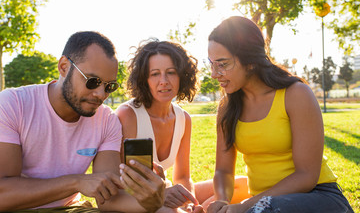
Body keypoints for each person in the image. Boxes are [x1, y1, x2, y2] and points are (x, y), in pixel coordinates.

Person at [0, 31, 165, 212]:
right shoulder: (13, 104)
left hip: (72, 209)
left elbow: (108, 200)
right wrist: (75, 182)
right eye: (93, 81)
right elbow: (3, 195)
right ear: (63, 66)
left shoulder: (107, 121)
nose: (101, 94)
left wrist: (151, 203)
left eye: (109, 86)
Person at [205, 16, 354, 213]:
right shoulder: (228, 107)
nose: (215, 74)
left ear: (250, 61)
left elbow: (306, 176)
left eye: (222, 64)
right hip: (263, 206)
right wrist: (223, 201)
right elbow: (223, 170)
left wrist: (245, 206)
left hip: (318, 196)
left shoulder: (296, 94)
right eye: (212, 64)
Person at [116, 39, 212, 213]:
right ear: (144, 79)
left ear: (182, 75)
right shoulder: (128, 115)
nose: (164, 81)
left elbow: (183, 177)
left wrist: (188, 202)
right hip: (137, 201)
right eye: (154, 74)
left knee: (240, 184)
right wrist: (164, 196)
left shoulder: (184, 119)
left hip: (165, 193)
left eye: (171, 72)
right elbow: (125, 183)